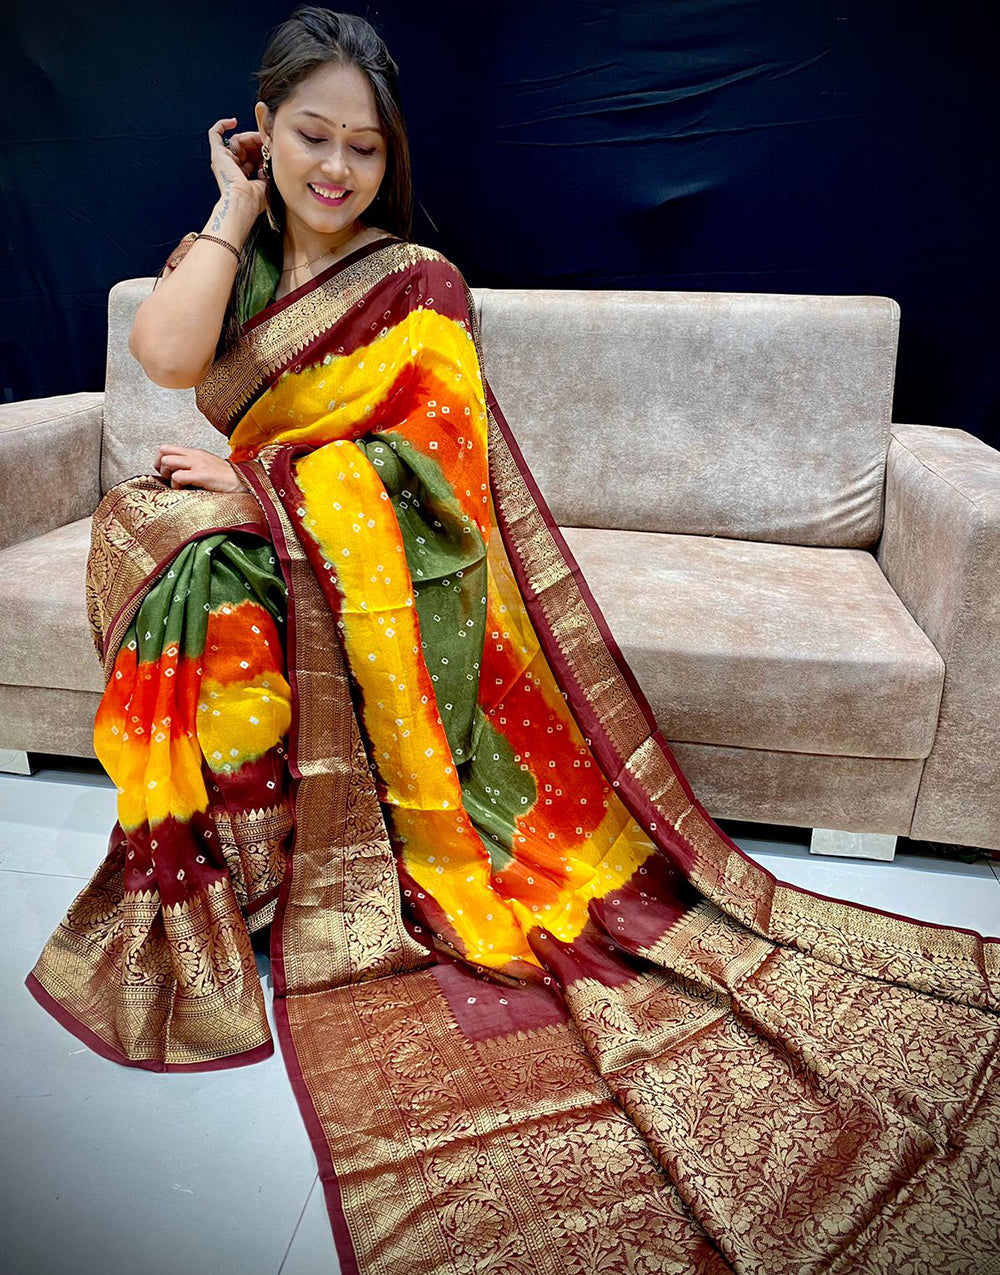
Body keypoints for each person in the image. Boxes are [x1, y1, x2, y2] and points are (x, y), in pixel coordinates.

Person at [25, 8, 1000, 1272]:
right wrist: (228, 212)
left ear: (391, 161)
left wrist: (256, 495)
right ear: (261, 131)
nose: (335, 169)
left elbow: (437, 478)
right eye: (309, 137)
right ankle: (251, 877)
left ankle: (329, 866)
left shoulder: (416, 283)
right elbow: (164, 356)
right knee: (174, 564)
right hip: (277, 543)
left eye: (363, 150)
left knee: (216, 576)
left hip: (359, 563)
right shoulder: (235, 257)